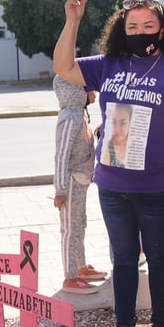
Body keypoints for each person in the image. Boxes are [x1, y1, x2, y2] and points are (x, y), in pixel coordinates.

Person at [54, 0, 164, 327]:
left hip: (160, 185)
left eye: (148, 26)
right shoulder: (109, 64)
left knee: (160, 257)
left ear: (163, 31)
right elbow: (64, 67)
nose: (140, 32)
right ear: (121, 29)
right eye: (132, 26)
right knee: (124, 260)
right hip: (114, 185)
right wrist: (73, 20)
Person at [53, 75, 108, 294]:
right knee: (70, 229)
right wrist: (60, 189)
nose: (93, 93)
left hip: (81, 181)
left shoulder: (81, 114)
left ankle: (80, 265)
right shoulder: (70, 117)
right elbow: (61, 155)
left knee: (80, 224)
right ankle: (70, 277)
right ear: (77, 91)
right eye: (89, 88)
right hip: (71, 183)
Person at [101, 103, 132, 167]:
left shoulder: (135, 145)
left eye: (123, 123)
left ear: (130, 122)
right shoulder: (108, 148)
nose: (117, 129)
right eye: (113, 122)